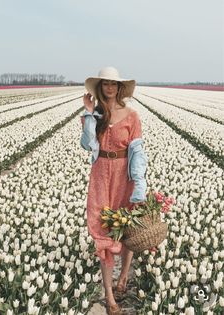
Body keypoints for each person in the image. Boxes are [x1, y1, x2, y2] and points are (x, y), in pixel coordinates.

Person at [80, 66, 148, 315]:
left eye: (113, 84)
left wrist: (139, 184)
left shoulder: (132, 115)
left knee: (127, 227)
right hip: (100, 175)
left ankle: (123, 278)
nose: (109, 87)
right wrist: (88, 114)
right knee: (105, 231)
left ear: (119, 88)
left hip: (123, 175)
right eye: (105, 84)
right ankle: (109, 296)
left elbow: (138, 152)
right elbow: (88, 144)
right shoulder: (96, 114)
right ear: (100, 88)